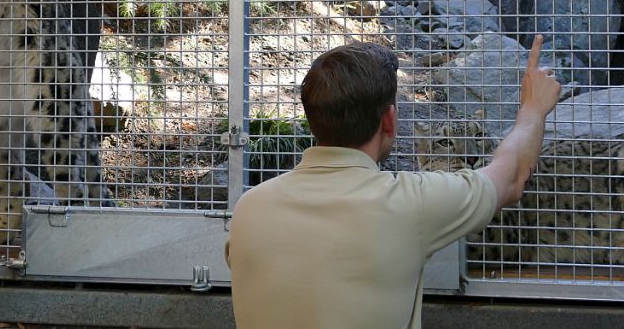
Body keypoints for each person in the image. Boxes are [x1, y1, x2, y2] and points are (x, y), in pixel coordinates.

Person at [225, 35, 561, 329]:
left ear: (313, 120)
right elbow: (512, 176)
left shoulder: (250, 208)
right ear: (389, 119)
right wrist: (533, 108)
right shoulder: (410, 203)